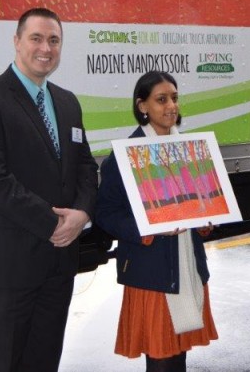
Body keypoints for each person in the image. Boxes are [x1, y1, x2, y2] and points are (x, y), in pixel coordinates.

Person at [0, 7, 99, 372]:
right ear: (17, 41)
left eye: (54, 40)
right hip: (4, 270)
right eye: (36, 38)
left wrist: (82, 214)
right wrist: (53, 224)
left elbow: (85, 167)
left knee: (43, 363)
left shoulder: (67, 102)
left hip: (57, 268)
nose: (46, 48)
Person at [95, 71, 218, 372]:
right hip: (152, 273)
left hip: (187, 266)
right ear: (142, 106)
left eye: (174, 98)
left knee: (179, 356)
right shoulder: (125, 156)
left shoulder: (192, 152)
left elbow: (203, 204)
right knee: (161, 359)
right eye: (161, 100)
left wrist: (206, 222)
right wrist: (147, 230)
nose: (171, 106)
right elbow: (105, 213)